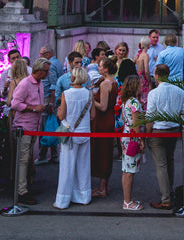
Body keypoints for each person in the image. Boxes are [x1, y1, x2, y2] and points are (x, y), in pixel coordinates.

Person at [145, 63, 184, 210]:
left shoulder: (154, 93)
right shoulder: (179, 91)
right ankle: (169, 192)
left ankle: (166, 198)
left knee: (161, 165)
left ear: (156, 75)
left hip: (158, 130)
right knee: (169, 160)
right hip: (174, 129)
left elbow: (150, 116)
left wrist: (147, 134)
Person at [10, 58, 52, 205]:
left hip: (34, 126)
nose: (47, 74)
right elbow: (14, 103)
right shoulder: (25, 84)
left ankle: (25, 186)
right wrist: (34, 108)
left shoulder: (39, 83)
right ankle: (21, 191)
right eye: (46, 71)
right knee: (23, 159)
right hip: (24, 126)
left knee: (28, 159)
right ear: (39, 71)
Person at [54, 66, 94, 209]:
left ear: (74, 77)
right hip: (85, 132)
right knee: (83, 166)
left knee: (67, 166)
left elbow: (62, 115)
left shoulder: (66, 94)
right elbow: (93, 116)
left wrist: (59, 111)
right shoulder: (89, 94)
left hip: (70, 132)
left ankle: (63, 200)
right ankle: (83, 196)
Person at [91, 56, 119, 198]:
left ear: (106, 69)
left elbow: (102, 106)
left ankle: (102, 187)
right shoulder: (113, 82)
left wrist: (91, 98)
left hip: (103, 121)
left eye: (100, 66)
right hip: (108, 119)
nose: (98, 68)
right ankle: (104, 186)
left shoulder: (105, 84)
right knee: (106, 152)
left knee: (102, 152)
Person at [118, 75, 145, 210]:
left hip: (126, 134)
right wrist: (141, 140)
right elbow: (136, 124)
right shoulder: (134, 102)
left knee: (126, 168)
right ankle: (127, 201)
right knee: (129, 170)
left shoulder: (126, 101)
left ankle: (128, 199)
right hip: (132, 137)